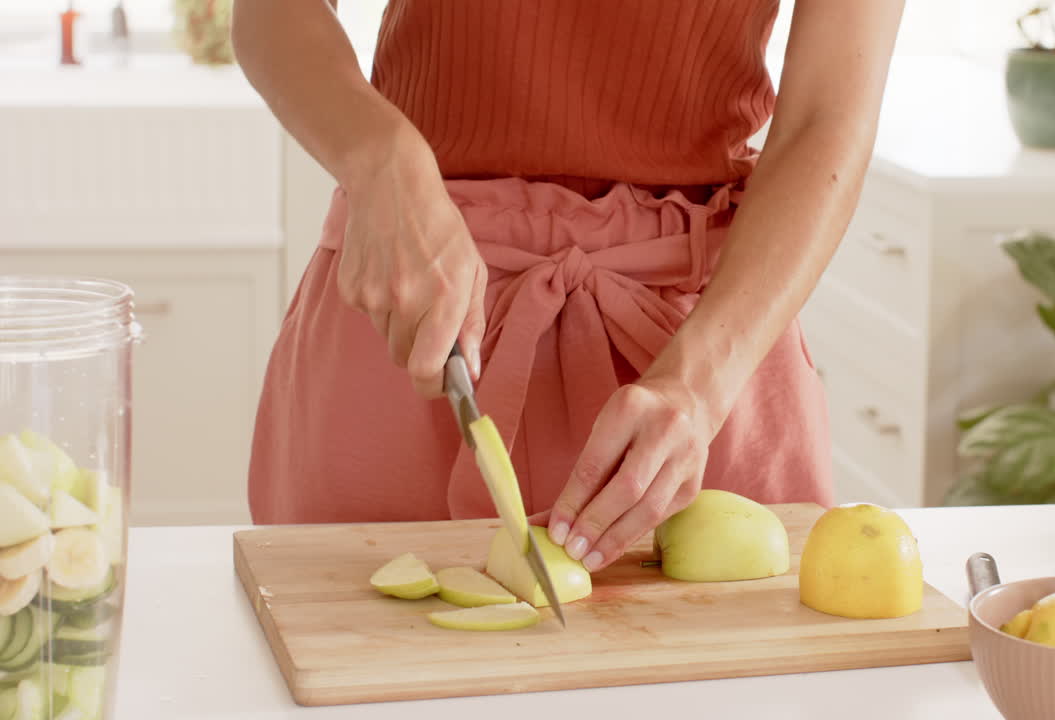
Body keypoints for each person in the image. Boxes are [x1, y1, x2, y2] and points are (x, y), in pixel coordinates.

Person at [232, 0, 904, 573]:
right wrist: (379, 158)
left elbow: (828, 115)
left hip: (701, 351)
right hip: (419, 309)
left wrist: (696, 388)